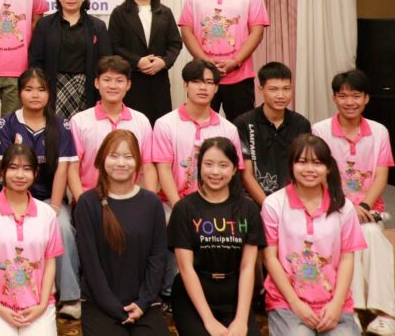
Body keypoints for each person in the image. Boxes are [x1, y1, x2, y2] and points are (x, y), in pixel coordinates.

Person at [311, 70, 395, 334]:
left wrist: (365, 207)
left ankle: (386, 313)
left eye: (356, 96)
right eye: (343, 96)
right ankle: (354, 311)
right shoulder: (320, 130)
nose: (350, 102)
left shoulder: (379, 132)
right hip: (333, 209)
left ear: (366, 98)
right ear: (334, 98)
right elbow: (319, 175)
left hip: (369, 212)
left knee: (371, 234)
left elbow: (381, 175)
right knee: (350, 238)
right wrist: (347, 208)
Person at [152, 59, 244, 295]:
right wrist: (180, 208)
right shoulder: (165, 124)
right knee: (168, 222)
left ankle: (219, 289)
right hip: (173, 201)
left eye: (210, 82)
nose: (203, 88)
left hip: (215, 202)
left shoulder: (228, 129)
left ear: (216, 88)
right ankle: (170, 291)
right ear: (185, 85)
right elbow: (163, 170)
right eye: (197, 81)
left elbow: (233, 174)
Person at [0, 68, 80, 317]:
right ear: (19, 92)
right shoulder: (6, 124)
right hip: (14, 197)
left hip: (49, 197)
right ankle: (7, 294)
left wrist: (53, 208)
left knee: (62, 227)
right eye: (29, 89)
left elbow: (63, 170)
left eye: (41, 89)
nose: (35, 95)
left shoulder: (61, 125)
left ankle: (70, 297)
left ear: (49, 93)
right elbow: (7, 171)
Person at [262, 134, 365, 336]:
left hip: (333, 302)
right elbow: (269, 258)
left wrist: (337, 304)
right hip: (286, 302)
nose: (309, 169)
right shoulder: (274, 204)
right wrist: (295, 304)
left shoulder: (344, 207)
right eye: (302, 162)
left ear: (328, 168)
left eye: (317, 163)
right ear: (291, 165)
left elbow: (347, 259)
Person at [74, 130, 169, 336]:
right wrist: (115, 309)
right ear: (102, 159)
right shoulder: (87, 203)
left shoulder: (152, 203)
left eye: (128, 157)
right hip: (100, 303)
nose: (121, 163)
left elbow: (158, 258)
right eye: (114, 156)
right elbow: (90, 265)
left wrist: (143, 302)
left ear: (138, 162)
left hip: (144, 303)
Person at [168, 137, 264, 336]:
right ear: (199, 166)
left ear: (234, 169)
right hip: (193, 295)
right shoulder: (184, 209)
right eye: (209, 164)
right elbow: (185, 268)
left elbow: (248, 267)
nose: (215, 172)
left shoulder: (248, 209)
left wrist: (241, 320)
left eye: (223, 165)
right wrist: (209, 321)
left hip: (235, 295)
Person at [0, 143, 62, 336]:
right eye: (13, 167)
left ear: (35, 173)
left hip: (37, 304)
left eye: (26, 169)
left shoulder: (47, 214)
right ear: (2, 172)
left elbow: (50, 262)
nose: (20, 175)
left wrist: (42, 305)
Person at [178, 0, 269, 120]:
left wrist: (235, 61)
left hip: (240, 75)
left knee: (242, 126)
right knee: (198, 122)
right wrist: (205, 61)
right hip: (203, 76)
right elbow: (187, 31)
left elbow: (257, 32)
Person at [68, 55, 157, 195]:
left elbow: (148, 167)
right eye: (107, 80)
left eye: (119, 81)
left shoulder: (141, 121)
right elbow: (73, 168)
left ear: (128, 85)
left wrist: (150, 202)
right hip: (91, 198)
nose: (113, 86)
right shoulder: (79, 121)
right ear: (97, 83)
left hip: (130, 199)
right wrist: (82, 202)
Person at [29, 0, 111, 121]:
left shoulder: (97, 26)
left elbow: (105, 61)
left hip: (87, 87)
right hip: (54, 86)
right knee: (56, 128)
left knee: (83, 127)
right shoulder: (45, 24)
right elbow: (36, 60)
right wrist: (40, 87)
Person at [108, 0, 182, 122]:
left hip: (159, 81)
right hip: (130, 81)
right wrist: (137, 61)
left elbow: (175, 44)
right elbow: (114, 45)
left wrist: (164, 61)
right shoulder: (119, 13)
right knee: (131, 125)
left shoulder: (165, 12)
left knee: (160, 124)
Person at [235, 62, 310, 205]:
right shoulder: (244, 123)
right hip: (253, 203)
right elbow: (246, 174)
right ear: (261, 89)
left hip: (292, 202)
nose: (281, 95)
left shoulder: (301, 124)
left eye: (286, 89)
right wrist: (268, 206)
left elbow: (304, 168)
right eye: (273, 89)